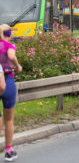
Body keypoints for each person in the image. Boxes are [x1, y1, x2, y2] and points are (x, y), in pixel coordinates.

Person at [0, 24, 22, 161]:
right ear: (9, 34)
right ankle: (8, 150)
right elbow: (11, 55)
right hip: (7, 81)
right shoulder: (9, 45)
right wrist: (17, 66)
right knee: (9, 119)